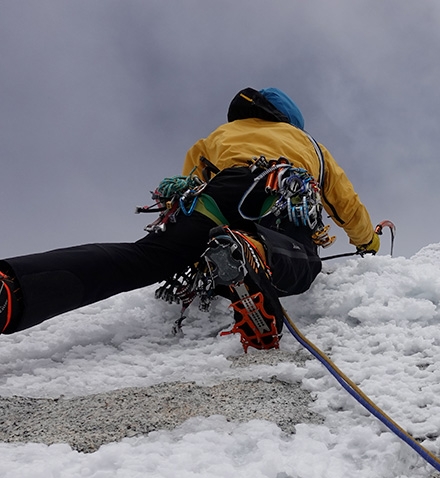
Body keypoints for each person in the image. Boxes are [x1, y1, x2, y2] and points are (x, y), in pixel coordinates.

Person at [0, 87, 383, 350]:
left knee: (145, 259)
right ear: (289, 119)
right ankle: (254, 253)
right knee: (303, 258)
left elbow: (190, 185)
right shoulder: (309, 144)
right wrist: (368, 242)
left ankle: (16, 289)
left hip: (215, 197)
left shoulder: (218, 136)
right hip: (281, 191)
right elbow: (344, 202)